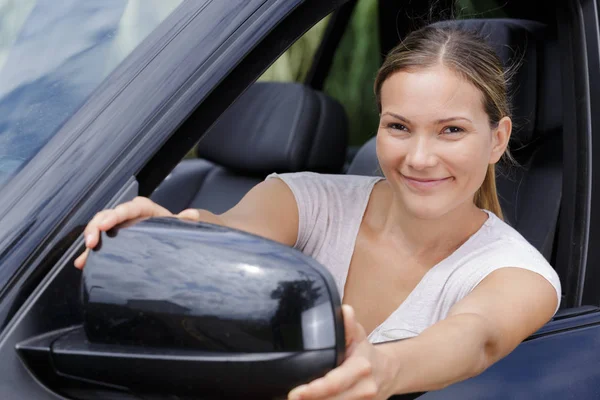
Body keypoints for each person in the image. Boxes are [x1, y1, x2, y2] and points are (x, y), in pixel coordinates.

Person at [75, 25, 561, 399]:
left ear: (497, 139)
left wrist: (382, 369)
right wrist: (172, 232)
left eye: (451, 130)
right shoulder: (304, 198)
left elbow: (476, 337)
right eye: (398, 126)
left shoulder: (518, 274)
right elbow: (232, 233)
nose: (418, 157)